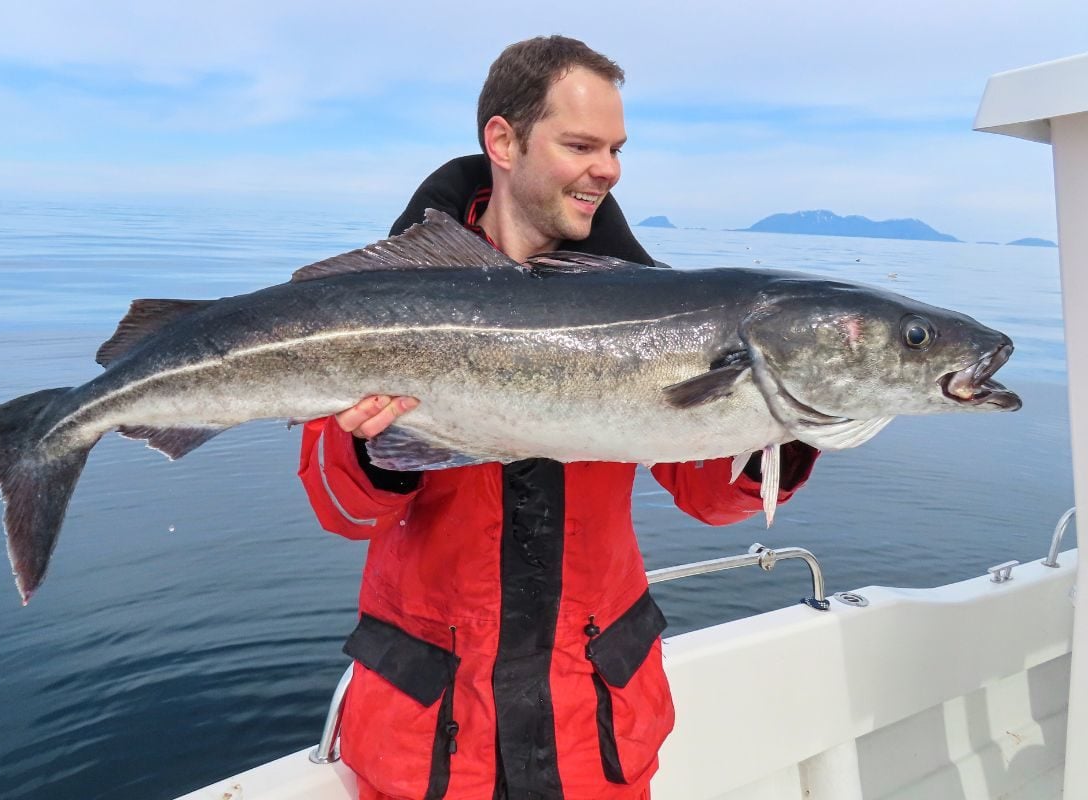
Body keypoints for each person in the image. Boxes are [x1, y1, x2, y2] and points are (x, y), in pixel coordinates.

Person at [298, 35, 818, 800]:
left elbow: (709, 496)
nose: (607, 168)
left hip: (594, 733)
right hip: (429, 742)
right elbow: (338, 508)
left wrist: (796, 406)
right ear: (502, 141)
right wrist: (377, 450)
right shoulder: (386, 306)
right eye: (581, 144)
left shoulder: (660, 315)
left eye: (615, 148)